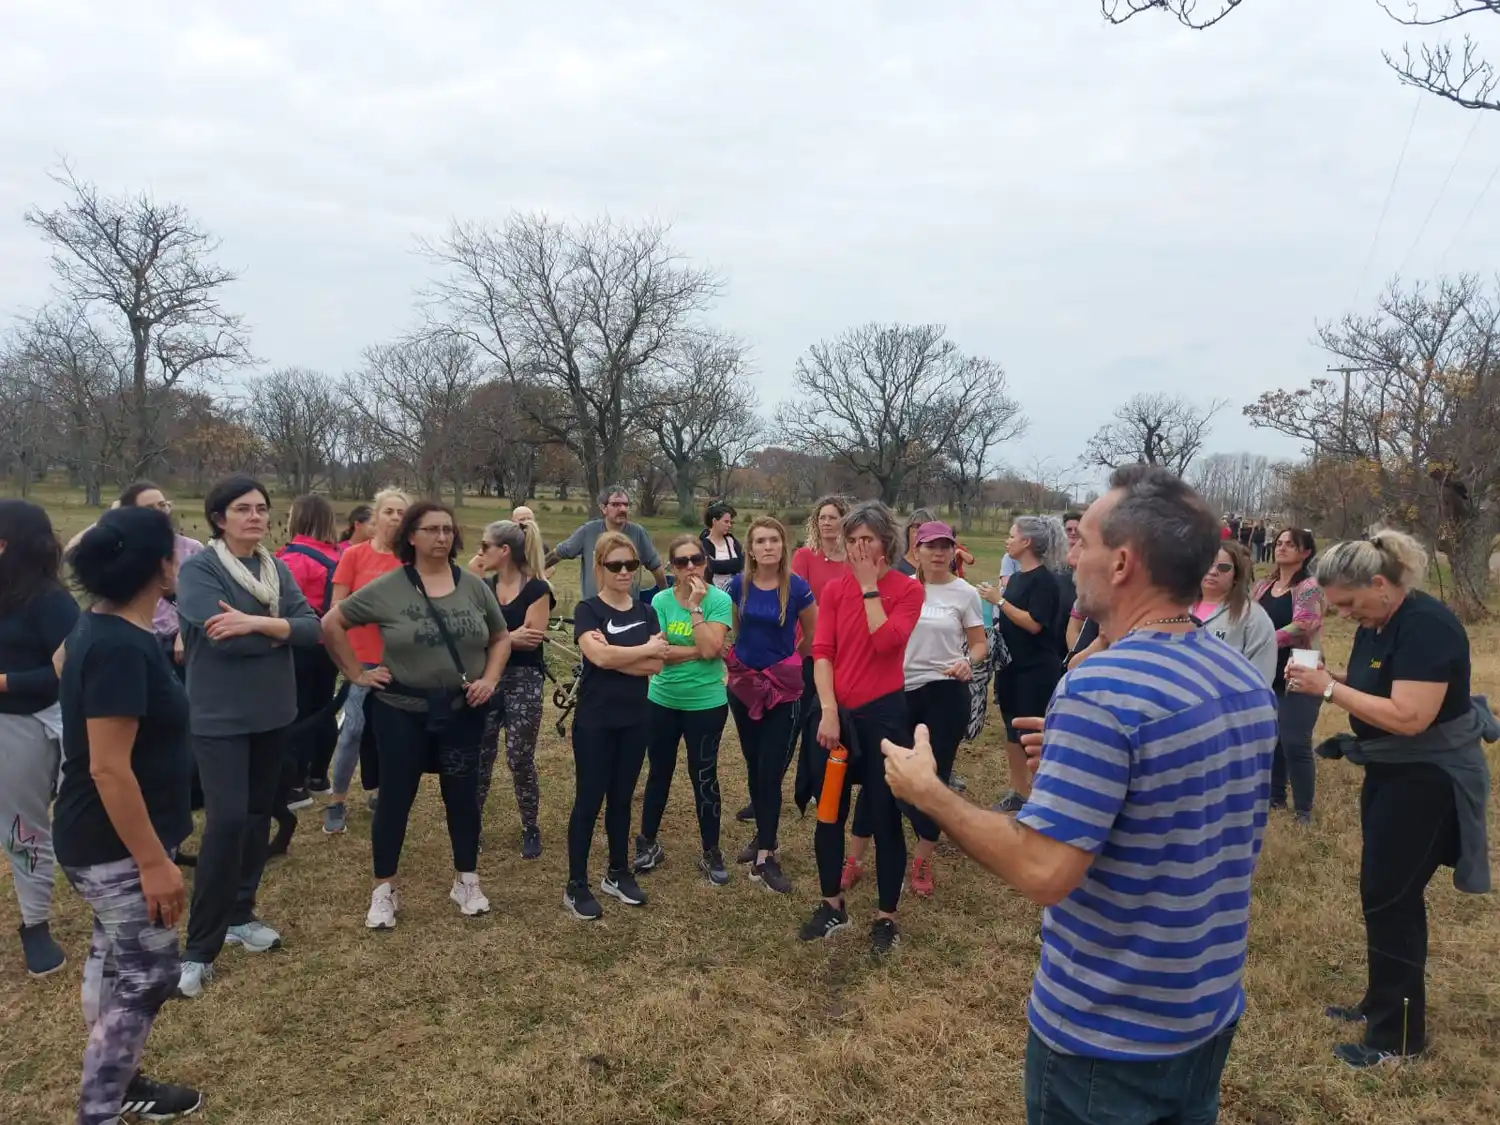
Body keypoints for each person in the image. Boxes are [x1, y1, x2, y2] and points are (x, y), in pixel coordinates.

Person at [883, 464, 1277, 1125]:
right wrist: (1074, 763)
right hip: (1205, 1010)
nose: (1074, 556)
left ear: (1123, 562)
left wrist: (931, 794)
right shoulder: (1237, 675)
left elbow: (1043, 869)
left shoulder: (1103, 687)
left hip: (1109, 1034)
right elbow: (1180, 812)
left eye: (1084, 542)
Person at [1286, 530, 1492, 1068]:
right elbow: (1377, 688)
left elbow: (1409, 716)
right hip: (1390, 771)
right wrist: (1329, 674)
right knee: (1380, 892)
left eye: (1351, 604)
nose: (1346, 614)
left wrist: (1328, 691)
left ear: (1381, 584)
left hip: (1426, 778)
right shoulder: (1379, 621)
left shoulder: (1427, 626)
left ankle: (1397, 1041)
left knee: (1393, 899)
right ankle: (1381, 1003)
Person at [53, 506, 203, 1122]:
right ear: (158, 566)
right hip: (113, 841)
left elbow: (66, 670)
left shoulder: (105, 628)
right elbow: (108, 767)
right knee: (149, 972)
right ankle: (100, 1109)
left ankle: (123, 1083)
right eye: (176, 550)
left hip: (101, 835)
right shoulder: (118, 647)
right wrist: (153, 862)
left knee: (114, 959)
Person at [323, 501, 510, 929]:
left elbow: (499, 637)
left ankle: (467, 880)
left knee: (462, 797)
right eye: (431, 530)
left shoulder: (474, 586)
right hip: (400, 712)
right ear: (411, 536)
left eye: (447, 530)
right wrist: (356, 673)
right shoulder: (389, 588)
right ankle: (383, 889)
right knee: (395, 800)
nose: (442, 537)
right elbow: (332, 622)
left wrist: (491, 679)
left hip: (463, 710)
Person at [173, 476, 323, 999]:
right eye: (243, 509)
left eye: (262, 508)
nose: (256, 517)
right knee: (227, 821)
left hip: (273, 713)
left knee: (259, 814)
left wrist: (258, 625)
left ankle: (241, 913)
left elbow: (314, 628)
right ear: (219, 517)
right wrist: (280, 630)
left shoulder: (274, 567)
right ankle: (198, 948)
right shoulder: (199, 570)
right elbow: (219, 635)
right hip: (220, 718)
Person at [801, 501, 923, 957]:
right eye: (851, 541)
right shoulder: (833, 590)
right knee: (829, 811)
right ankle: (832, 902)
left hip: (885, 717)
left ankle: (886, 916)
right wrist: (828, 710)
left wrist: (871, 589)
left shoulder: (908, 591)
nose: (857, 548)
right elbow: (823, 652)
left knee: (885, 815)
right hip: (839, 716)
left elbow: (886, 642)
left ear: (885, 542)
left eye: (866, 540)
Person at [847, 522, 985, 899]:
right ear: (916, 549)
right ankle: (855, 858)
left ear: (954, 551)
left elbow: (979, 644)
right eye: (930, 546)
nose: (938, 553)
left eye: (945, 547)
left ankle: (922, 858)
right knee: (879, 773)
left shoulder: (965, 593)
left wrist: (966, 662)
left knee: (932, 778)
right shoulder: (899, 585)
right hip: (894, 691)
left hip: (943, 692)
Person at [563, 533, 670, 921]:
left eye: (631, 565)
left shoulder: (646, 611)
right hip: (595, 721)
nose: (624, 572)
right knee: (589, 801)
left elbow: (656, 666)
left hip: (635, 719)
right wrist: (638, 651)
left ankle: (617, 872)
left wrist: (613, 655)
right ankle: (577, 884)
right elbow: (599, 657)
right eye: (615, 566)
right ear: (600, 568)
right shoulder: (588, 610)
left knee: (622, 799)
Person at [0, 499, 80, 978]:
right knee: (20, 826)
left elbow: (67, 674)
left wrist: (5, 682)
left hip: (44, 719)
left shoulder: (52, 602)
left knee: (45, 824)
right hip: (8, 724)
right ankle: (35, 923)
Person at [633, 535, 734, 885]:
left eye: (696, 559)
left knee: (704, 776)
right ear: (672, 567)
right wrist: (701, 650)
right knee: (658, 772)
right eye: (680, 562)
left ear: (706, 561)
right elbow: (660, 653)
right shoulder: (659, 600)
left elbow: (712, 646)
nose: (689, 566)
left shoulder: (720, 600)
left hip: (705, 704)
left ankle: (711, 851)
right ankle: (646, 843)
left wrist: (694, 608)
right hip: (661, 700)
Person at [724, 517, 817, 894]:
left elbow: (812, 635)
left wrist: (788, 664)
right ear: (750, 548)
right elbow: (737, 630)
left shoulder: (796, 588)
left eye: (774, 540)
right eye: (760, 541)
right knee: (753, 762)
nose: (767, 546)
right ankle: (764, 834)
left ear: (783, 546)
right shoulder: (738, 585)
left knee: (770, 768)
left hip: (782, 690)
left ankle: (766, 854)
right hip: (744, 686)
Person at [322, 489, 409, 834]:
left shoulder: (410, 561)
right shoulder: (354, 556)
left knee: (393, 733)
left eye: (402, 513)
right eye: (389, 511)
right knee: (353, 729)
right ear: (375, 517)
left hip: (400, 662)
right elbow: (335, 611)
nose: (395, 518)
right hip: (361, 661)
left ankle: (384, 794)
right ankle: (336, 801)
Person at [472, 520, 553, 859]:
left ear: (504, 551)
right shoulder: (482, 588)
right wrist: (508, 637)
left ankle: (530, 826)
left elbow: (532, 638)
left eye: (484, 545)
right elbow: (471, 634)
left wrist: (494, 637)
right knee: (480, 757)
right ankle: (471, 826)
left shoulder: (538, 590)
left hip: (525, 680)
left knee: (519, 757)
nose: (479, 552)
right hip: (487, 677)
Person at [979, 516, 1068, 812]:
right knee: (1010, 731)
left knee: (1032, 735)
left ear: (1027, 542)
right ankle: (1019, 792)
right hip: (1011, 669)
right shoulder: (1016, 578)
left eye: (1011, 535)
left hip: (1036, 672)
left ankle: (1041, 796)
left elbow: (1034, 624)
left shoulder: (1045, 581)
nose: (1007, 541)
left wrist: (999, 601)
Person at [67, 482, 204, 673]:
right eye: (149, 508)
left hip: (172, 641)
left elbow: (197, 597)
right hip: (134, 633)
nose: (160, 512)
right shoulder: (121, 550)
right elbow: (73, 552)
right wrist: (110, 519)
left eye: (163, 505)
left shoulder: (191, 547)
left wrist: (184, 632)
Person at [1252, 527, 1326, 823]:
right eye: (1279, 543)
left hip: (1302, 665)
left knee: (1295, 740)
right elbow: (1249, 617)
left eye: (1290, 544)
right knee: (1273, 737)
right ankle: (1275, 797)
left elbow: (1305, 624)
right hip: (1267, 667)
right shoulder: (1262, 586)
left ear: (1305, 552)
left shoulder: (1309, 586)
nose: (1281, 548)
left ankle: (1303, 810)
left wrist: (1267, 637)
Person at [276, 494, 341, 803]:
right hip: (331, 644)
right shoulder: (342, 554)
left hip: (299, 643)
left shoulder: (291, 559)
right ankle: (319, 775)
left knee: (295, 711)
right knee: (323, 707)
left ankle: (295, 783)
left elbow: (279, 602)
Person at [545, 485, 665, 601]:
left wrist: (666, 598)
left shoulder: (638, 533)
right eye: (616, 504)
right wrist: (535, 572)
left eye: (625, 504)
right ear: (603, 508)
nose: (622, 509)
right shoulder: (588, 531)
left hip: (628, 610)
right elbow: (559, 553)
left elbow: (656, 567)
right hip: (594, 610)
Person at [1193, 542, 1277, 685]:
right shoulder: (1176, 609)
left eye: (1223, 567)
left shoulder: (1253, 617)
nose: (1213, 572)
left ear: (1236, 576)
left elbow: (1262, 676)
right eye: (1208, 564)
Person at [699, 501, 744, 591]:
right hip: (714, 592)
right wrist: (734, 564)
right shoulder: (704, 544)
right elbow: (711, 567)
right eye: (726, 522)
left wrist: (721, 565)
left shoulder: (732, 541)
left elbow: (742, 563)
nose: (729, 525)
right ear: (715, 521)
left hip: (735, 591)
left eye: (730, 522)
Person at [891, 507, 937, 577]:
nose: (922, 531)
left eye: (927, 527)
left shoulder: (939, 566)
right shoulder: (896, 567)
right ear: (908, 531)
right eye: (917, 526)